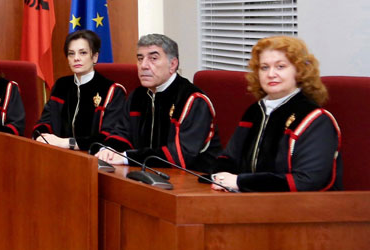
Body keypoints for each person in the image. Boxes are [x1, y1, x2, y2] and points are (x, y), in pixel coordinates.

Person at [209, 36, 341, 192]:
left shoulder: (315, 119)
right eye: (264, 67)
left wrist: (239, 182)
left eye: (280, 67)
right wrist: (220, 176)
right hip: (248, 200)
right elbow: (229, 158)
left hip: (301, 205)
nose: (271, 74)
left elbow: (307, 181)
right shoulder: (254, 112)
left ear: (299, 71)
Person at [96, 33, 221, 172]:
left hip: (192, 177)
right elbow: (122, 132)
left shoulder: (193, 100)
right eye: (140, 58)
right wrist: (109, 149)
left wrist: (127, 157)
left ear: (173, 64)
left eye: (153, 59)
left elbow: (182, 154)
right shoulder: (138, 96)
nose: (143, 65)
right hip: (145, 173)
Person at [33, 29, 130, 151]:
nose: (76, 58)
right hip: (59, 153)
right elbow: (45, 122)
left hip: (93, 156)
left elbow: (110, 136)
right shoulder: (61, 85)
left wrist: (68, 143)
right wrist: (41, 136)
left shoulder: (111, 90)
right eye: (71, 54)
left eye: (83, 53)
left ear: (94, 57)